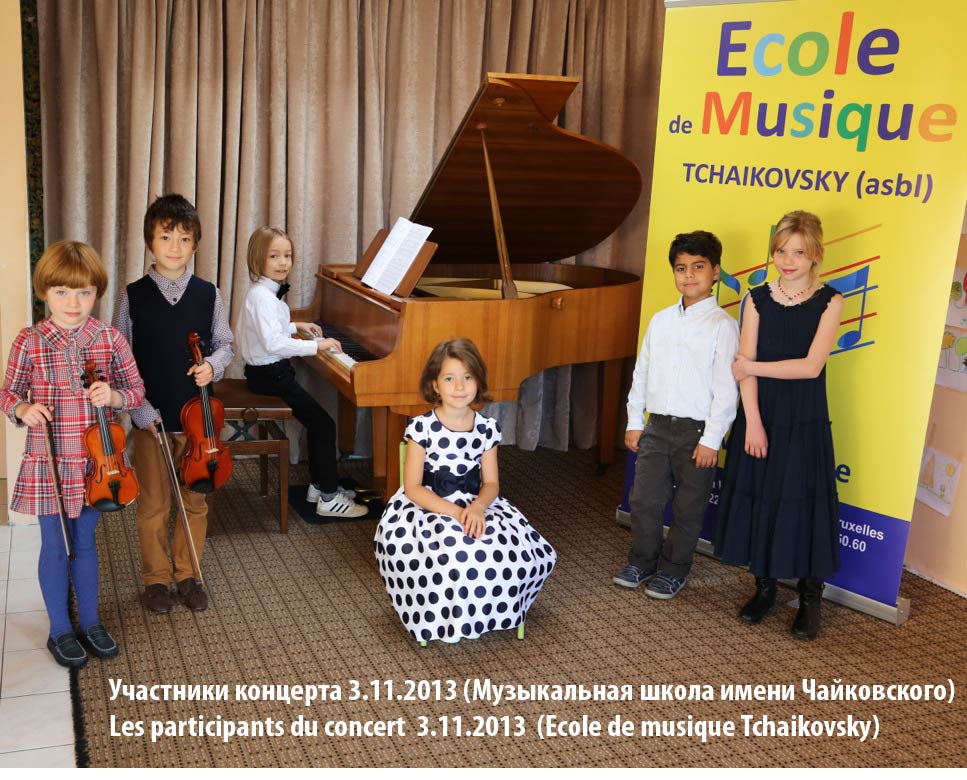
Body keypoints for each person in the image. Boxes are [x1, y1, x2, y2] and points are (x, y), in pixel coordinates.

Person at [1, 241, 145, 667]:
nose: (73, 302)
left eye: (84, 292)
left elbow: (136, 391)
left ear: (97, 292)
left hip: (97, 466)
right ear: (44, 291)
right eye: (62, 292)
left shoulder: (110, 339)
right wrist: (22, 409)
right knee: (54, 544)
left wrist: (115, 396)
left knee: (83, 542)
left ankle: (91, 623)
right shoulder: (29, 341)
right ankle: (60, 630)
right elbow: (7, 393)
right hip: (48, 463)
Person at [373, 338, 557, 644]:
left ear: (478, 381)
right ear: (435, 385)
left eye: (468, 377)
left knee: (513, 552)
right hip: (427, 506)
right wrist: (457, 513)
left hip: (476, 503)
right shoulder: (421, 427)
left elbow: (491, 484)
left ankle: (488, 613)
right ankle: (439, 620)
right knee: (456, 552)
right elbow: (413, 487)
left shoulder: (486, 428)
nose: (459, 386)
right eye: (449, 378)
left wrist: (478, 508)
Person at [714, 210, 845, 641]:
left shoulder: (832, 301)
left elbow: (810, 367)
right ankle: (765, 587)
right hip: (760, 413)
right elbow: (743, 367)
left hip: (804, 417)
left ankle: (809, 597)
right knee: (761, 499)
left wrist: (752, 366)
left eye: (798, 253)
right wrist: (752, 422)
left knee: (804, 504)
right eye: (781, 251)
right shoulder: (756, 299)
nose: (788, 261)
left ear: (816, 255)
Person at [114, 194, 234, 614]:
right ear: (150, 242)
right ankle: (156, 579)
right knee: (153, 504)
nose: (175, 246)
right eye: (166, 237)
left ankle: (188, 573)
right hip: (152, 419)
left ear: (195, 245)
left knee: (195, 500)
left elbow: (225, 343)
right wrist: (140, 410)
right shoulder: (133, 295)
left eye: (184, 238)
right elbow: (120, 357)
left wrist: (213, 366)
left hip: (199, 423)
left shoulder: (208, 293)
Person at [613, 230, 739, 599]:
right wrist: (635, 421)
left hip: (696, 434)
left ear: (715, 272)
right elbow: (642, 372)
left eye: (698, 267)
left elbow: (726, 390)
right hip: (656, 427)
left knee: (688, 506)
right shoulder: (661, 320)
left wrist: (712, 439)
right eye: (681, 268)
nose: (689, 275)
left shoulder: (723, 326)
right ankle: (642, 560)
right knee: (644, 500)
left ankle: (674, 568)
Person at [234, 226, 366, 518]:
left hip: (267, 373)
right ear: (258, 258)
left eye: (288, 255)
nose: (283, 262)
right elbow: (273, 343)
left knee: (319, 422)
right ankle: (329, 498)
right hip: (271, 376)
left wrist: (297, 326)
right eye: (274, 256)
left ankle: (318, 487)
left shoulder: (264, 293)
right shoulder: (262, 297)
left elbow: (272, 329)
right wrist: (316, 346)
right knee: (323, 424)